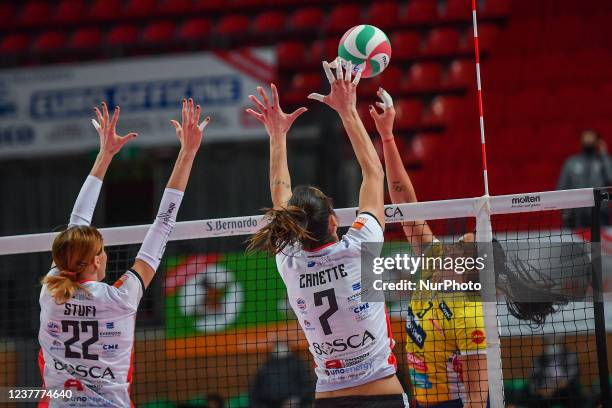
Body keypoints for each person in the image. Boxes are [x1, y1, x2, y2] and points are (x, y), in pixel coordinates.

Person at [371, 88, 582, 407]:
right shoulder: (433, 261)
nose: (453, 245)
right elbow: (404, 202)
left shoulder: (471, 316)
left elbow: (475, 399)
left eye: (462, 246)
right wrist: (388, 137)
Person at [246, 60, 408, 408]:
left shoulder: (289, 261)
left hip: (329, 399)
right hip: (382, 395)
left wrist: (277, 136)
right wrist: (348, 110)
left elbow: (280, 193)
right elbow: (374, 173)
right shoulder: (359, 249)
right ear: (333, 222)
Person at [38, 99, 209, 407]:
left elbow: (75, 225)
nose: (106, 255)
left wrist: (104, 155)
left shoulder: (51, 291)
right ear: (94, 261)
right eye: (102, 251)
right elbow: (164, 223)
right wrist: (188, 152)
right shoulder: (119, 299)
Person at [557, 129, 612, 228]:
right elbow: (562, 188)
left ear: (597, 142)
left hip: (600, 212)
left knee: (601, 243)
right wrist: (566, 213)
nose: (588, 141)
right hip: (577, 215)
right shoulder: (571, 162)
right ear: (581, 142)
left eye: (591, 139)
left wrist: (604, 154)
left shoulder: (604, 161)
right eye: (586, 139)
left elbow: (610, 178)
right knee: (577, 243)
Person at [527, 336, 580, 408]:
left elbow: (570, 376)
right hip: (544, 392)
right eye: (549, 342)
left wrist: (552, 389)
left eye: (556, 341)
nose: (553, 345)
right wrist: (540, 390)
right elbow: (534, 378)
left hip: (562, 390)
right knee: (532, 399)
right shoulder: (539, 359)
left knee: (572, 394)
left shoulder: (569, 356)